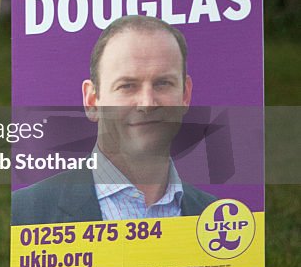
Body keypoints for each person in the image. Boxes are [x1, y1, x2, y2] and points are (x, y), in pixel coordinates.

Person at [11, 15, 217, 224]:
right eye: (127, 86)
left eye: (163, 83)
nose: (147, 103)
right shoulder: (24, 214)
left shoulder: (220, 220)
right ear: (92, 101)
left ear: (185, 95)